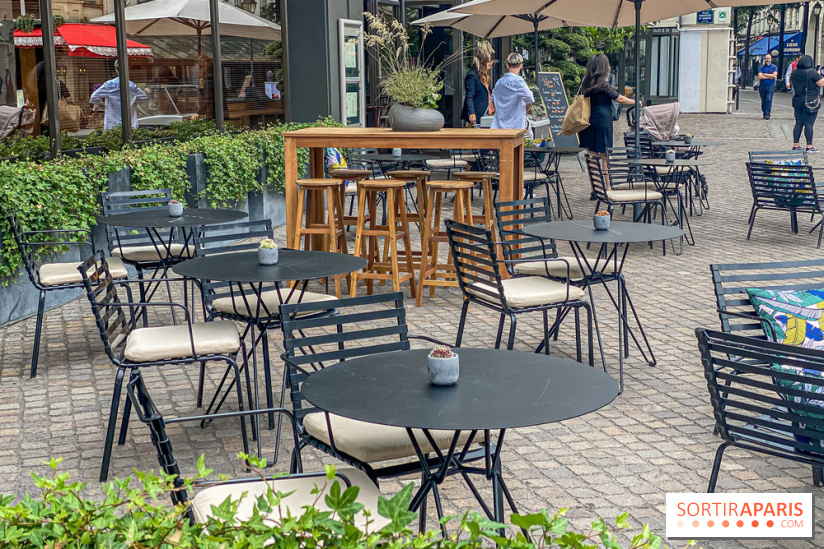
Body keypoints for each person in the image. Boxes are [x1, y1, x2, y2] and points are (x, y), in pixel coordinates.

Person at [577, 54, 637, 183]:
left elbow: (576, 98)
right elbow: (619, 98)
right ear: (604, 68)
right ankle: (608, 186)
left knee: (592, 155)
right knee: (605, 155)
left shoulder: (585, 82)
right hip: (602, 121)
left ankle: (595, 188)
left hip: (587, 121)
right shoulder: (603, 84)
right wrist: (635, 101)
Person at [89, 60, 147, 130]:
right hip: (130, 123)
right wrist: (133, 101)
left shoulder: (109, 85)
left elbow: (94, 97)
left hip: (112, 124)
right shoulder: (131, 85)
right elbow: (143, 98)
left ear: (116, 70)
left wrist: (103, 105)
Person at [491, 52, 533, 134]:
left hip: (499, 125)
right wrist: (527, 108)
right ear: (521, 66)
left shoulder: (499, 82)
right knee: (528, 140)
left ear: (507, 65)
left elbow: (493, 98)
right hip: (516, 125)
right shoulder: (519, 82)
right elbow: (530, 98)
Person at [790, 54, 824, 153]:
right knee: (809, 124)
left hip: (797, 100)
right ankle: (809, 146)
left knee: (798, 123)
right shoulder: (812, 72)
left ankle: (796, 145)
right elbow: (821, 83)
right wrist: (819, 74)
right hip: (810, 101)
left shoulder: (795, 73)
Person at [461, 43, 495, 127]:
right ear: (483, 63)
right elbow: (469, 96)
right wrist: (472, 113)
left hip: (485, 112)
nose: (490, 68)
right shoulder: (472, 75)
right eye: (489, 65)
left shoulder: (483, 75)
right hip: (477, 114)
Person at [758, 54, 778, 119]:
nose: (767, 60)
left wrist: (765, 74)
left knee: (769, 99)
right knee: (763, 100)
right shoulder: (761, 67)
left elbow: (774, 76)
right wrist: (770, 76)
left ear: (771, 59)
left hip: (771, 86)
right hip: (762, 86)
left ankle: (767, 114)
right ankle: (764, 111)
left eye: (768, 58)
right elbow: (760, 76)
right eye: (766, 58)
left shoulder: (774, 67)